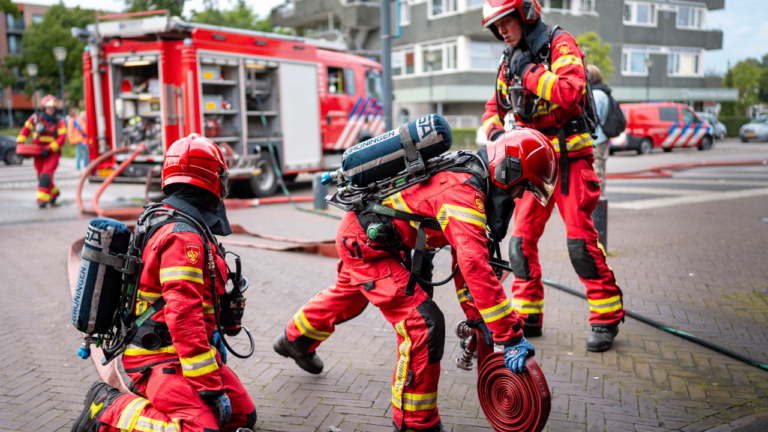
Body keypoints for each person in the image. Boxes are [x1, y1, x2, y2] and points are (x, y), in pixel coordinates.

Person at [273, 129, 558, 432]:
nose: (518, 197)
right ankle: (415, 423)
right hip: (367, 245)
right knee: (423, 324)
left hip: (373, 238)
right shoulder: (462, 191)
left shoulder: (475, 179)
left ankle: (295, 340)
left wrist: (481, 320)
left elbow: (468, 264)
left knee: (350, 294)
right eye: (522, 188)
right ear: (509, 170)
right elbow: (473, 265)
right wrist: (510, 335)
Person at [71, 134, 257, 432]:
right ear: (213, 178)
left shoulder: (172, 217)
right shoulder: (183, 237)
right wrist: (208, 384)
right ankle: (106, 407)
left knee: (242, 418)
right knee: (199, 429)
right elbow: (184, 316)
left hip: (186, 350)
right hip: (159, 356)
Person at [480, 0, 625, 352]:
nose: (501, 31)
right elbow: (491, 109)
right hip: (534, 168)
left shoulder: (560, 45)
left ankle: (606, 318)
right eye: (495, 26)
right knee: (519, 244)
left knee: (580, 244)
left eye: (505, 22)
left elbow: (569, 91)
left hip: (571, 164)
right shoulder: (508, 61)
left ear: (526, 14)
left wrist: (529, 72)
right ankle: (529, 314)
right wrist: (497, 134)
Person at [17, 95, 66, 208]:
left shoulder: (59, 121)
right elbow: (25, 130)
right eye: (48, 108)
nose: (51, 110)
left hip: (52, 153)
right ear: (43, 108)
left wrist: (49, 149)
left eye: (53, 108)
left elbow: (61, 138)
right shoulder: (35, 118)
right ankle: (54, 192)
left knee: (46, 174)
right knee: (41, 175)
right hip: (37, 151)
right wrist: (20, 145)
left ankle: (42, 200)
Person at [589, 65, 609, 195]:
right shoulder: (604, 92)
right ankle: (601, 200)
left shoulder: (595, 94)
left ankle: (598, 203)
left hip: (597, 139)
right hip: (604, 138)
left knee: (596, 171)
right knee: (601, 170)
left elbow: (594, 119)